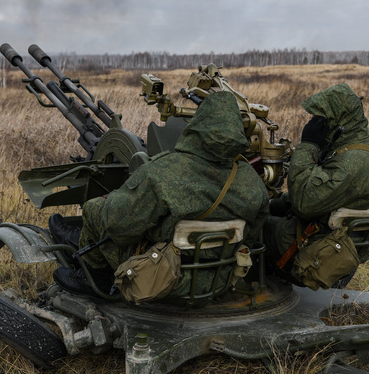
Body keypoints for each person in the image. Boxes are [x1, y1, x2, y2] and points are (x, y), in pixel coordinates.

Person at [52, 90, 270, 297]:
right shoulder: (251, 179)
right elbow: (252, 233)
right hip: (218, 279)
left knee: (94, 210)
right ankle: (76, 241)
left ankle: (95, 283)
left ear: (197, 128)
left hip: (162, 281)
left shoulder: (163, 173)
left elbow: (117, 226)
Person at [264, 83, 369, 289]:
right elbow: (326, 195)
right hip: (334, 242)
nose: (313, 122)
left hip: (321, 251)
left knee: (256, 227)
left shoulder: (350, 163)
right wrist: (271, 204)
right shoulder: (356, 149)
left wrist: (308, 146)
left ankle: (252, 290)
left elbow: (304, 203)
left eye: (319, 118)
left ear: (337, 122)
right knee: (267, 212)